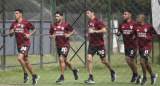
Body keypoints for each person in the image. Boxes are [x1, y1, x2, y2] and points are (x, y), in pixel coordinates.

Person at [84, 9, 116, 84]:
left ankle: (112, 71)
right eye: (86, 13)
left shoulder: (97, 21)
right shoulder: (89, 22)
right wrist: (88, 34)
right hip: (92, 44)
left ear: (93, 13)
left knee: (103, 61)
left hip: (99, 44)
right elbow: (91, 31)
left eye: (88, 13)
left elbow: (104, 30)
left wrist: (94, 31)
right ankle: (91, 77)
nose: (87, 15)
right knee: (89, 59)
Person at [9, 9, 40, 85]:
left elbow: (34, 30)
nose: (15, 15)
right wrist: (11, 33)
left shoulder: (26, 22)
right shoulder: (13, 24)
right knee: (26, 61)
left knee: (19, 58)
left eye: (17, 13)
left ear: (21, 14)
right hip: (19, 45)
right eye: (14, 13)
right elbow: (10, 35)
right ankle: (34, 75)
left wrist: (29, 34)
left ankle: (25, 74)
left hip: (25, 43)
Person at [49, 11, 79, 84]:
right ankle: (74, 70)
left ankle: (62, 77)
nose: (57, 18)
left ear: (61, 17)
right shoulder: (53, 26)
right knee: (65, 60)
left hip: (65, 45)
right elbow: (50, 34)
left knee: (61, 59)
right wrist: (51, 36)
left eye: (58, 16)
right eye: (56, 16)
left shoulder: (66, 25)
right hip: (58, 46)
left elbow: (73, 32)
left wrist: (69, 35)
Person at [132, 14, 158, 85]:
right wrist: (133, 36)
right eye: (137, 17)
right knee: (145, 63)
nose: (137, 19)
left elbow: (155, 34)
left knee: (142, 61)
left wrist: (149, 38)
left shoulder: (148, 26)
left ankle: (145, 78)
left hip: (147, 47)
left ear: (143, 18)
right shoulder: (136, 27)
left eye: (138, 18)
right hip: (140, 47)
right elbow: (134, 34)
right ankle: (152, 75)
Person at [117, 10, 141, 84]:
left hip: (133, 45)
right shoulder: (121, 24)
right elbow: (119, 32)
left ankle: (137, 75)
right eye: (123, 14)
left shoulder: (134, 24)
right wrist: (118, 33)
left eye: (125, 14)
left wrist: (135, 35)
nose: (123, 15)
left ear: (130, 15)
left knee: (128, 59)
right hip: (126, 45)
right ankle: (135, 74)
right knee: (132, 61)